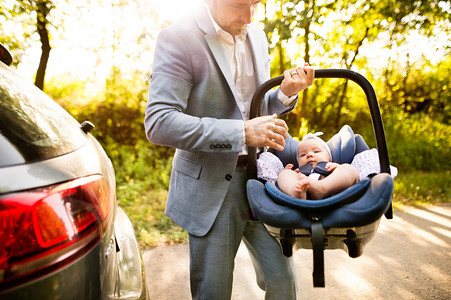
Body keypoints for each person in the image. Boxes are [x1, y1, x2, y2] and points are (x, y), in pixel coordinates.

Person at [144, 0, 314, 299]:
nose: (249, 16)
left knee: (284, 284)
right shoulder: (178, 38)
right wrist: (241, 132)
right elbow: (160, 122)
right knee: (214, 291)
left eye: (255, 4)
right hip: (212, 188)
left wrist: (286, 94)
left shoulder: (258, 36)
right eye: (239, 5)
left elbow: (255, 107)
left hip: (264, 182)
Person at [274, 133, 358, 199]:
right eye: (303, 155)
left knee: (348, 168)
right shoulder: (297, 172)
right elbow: (286, 176)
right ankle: (295, 192)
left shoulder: (331, 166)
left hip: (333, 193)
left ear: (329, 158)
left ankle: (321, 188)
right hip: (302, 187)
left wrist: (338, 168)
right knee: (283, 174)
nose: (309, 155)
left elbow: (342, 172)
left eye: (316, 151)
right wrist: (287, 171)